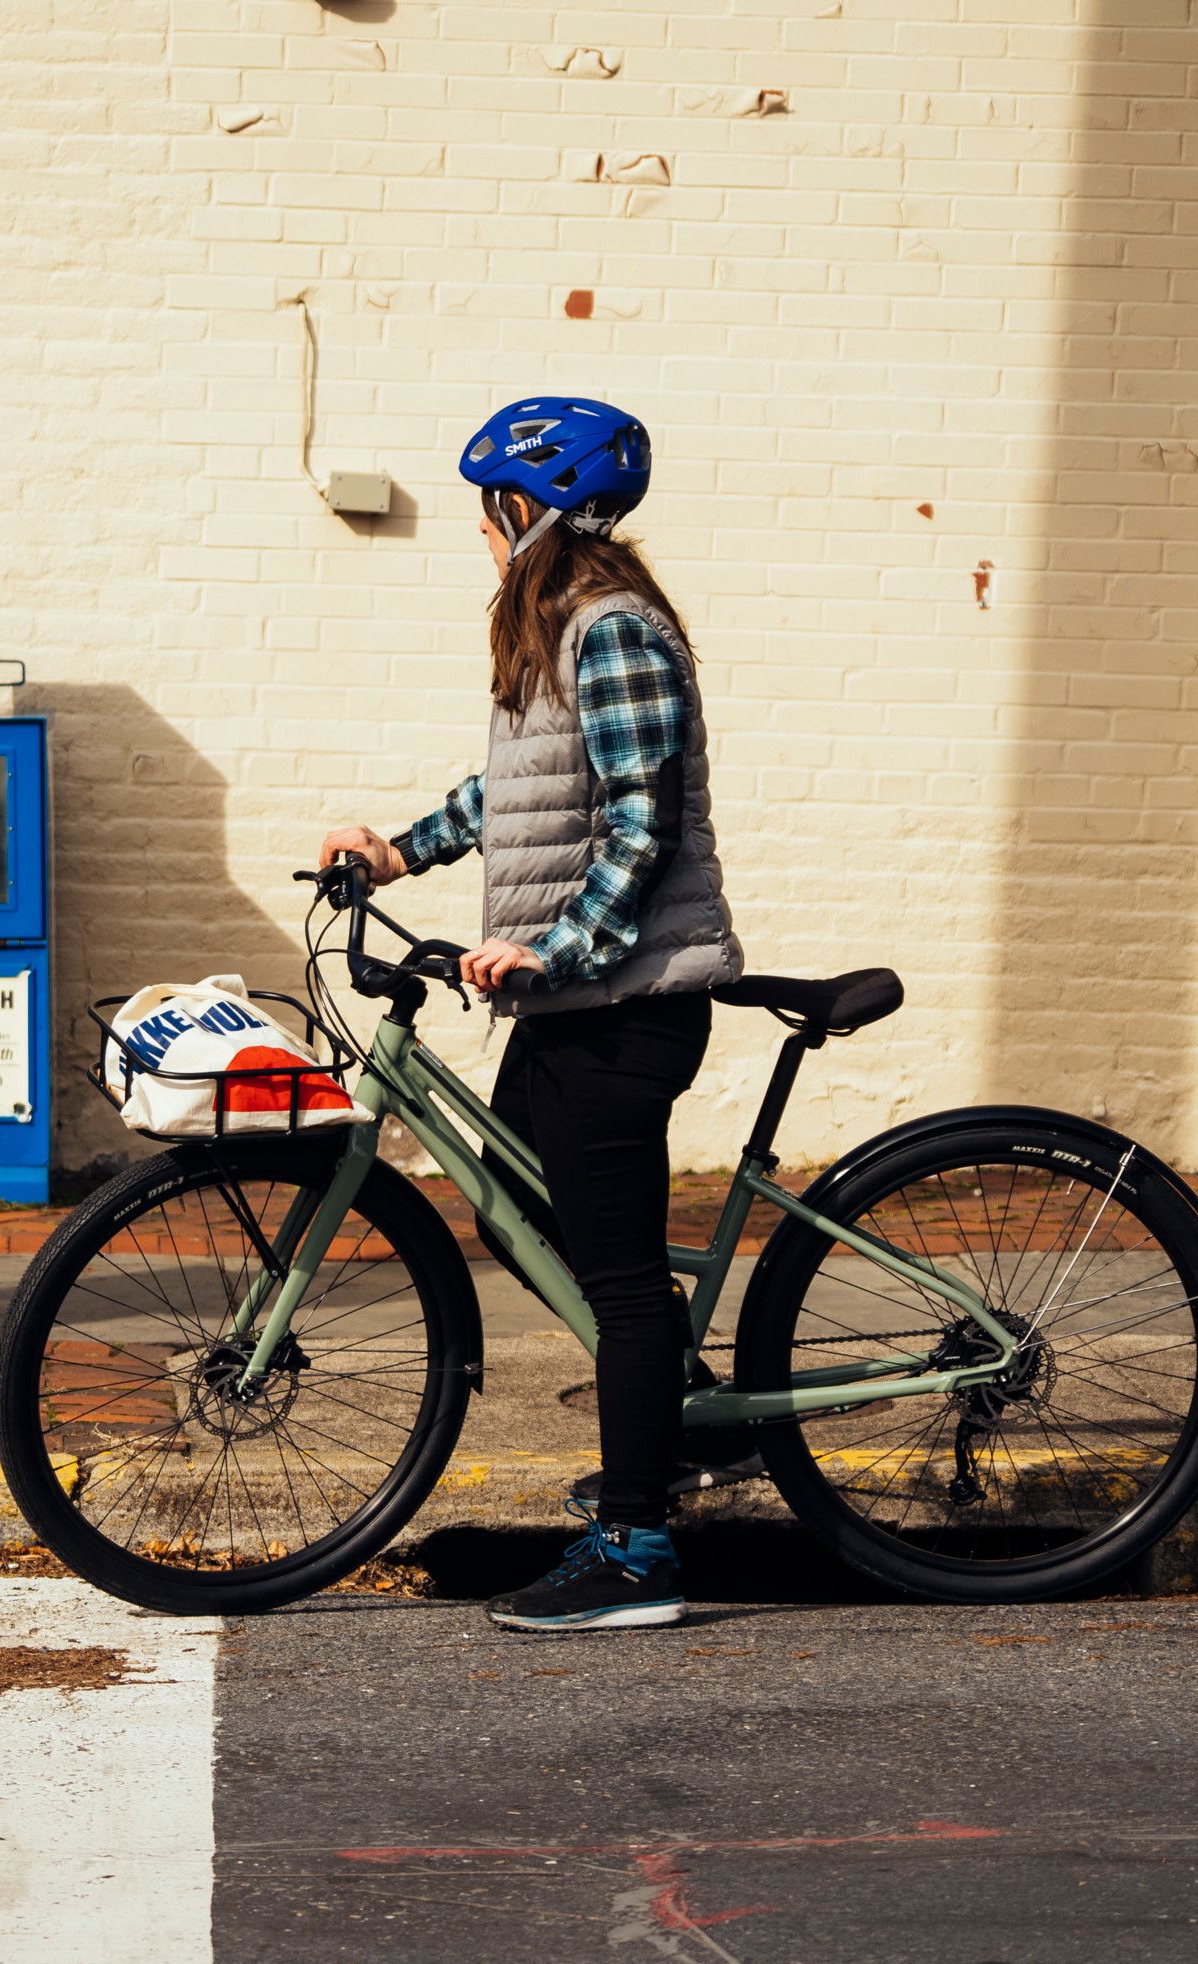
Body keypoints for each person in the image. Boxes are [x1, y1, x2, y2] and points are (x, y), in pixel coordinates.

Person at [318, 396, 745, 1632]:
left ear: (530, 508)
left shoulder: (615, 632)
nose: (483, 532)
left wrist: (549, 950)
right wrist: (399, 850)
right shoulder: (555, 630)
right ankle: (678, 1420)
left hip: (629, 1003)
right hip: (577, 1001)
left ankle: (639, 1551)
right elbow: (517, 795)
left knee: (613, 1279)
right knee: (522, 1217)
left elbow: (638, 827)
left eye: (489, 508)